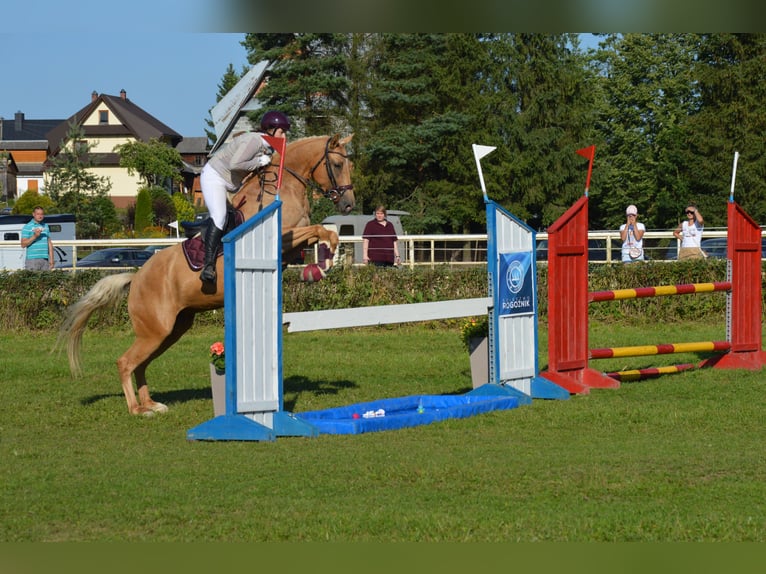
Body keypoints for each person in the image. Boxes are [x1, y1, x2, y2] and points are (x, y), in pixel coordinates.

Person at [198, 110, 290, 282]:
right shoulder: (254, 140)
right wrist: (259, 162)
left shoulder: (267, 146)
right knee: (219, 217)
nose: (284, 136)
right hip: (215, 177)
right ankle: (208, 266)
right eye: (282, 131)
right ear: (270, 130)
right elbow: (235, 164)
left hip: (231, 183)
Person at [20, 206, 55, 270]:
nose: (40, 216)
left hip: (45, 259)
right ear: (33, 214)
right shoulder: (27, 226)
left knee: (45, 280)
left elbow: (49, 243)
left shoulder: (45, 226)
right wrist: (35, 236)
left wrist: (52, 259)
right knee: (32, 280)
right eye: (38, 214)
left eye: (42, 214)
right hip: (32, 260)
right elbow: (23, 244)